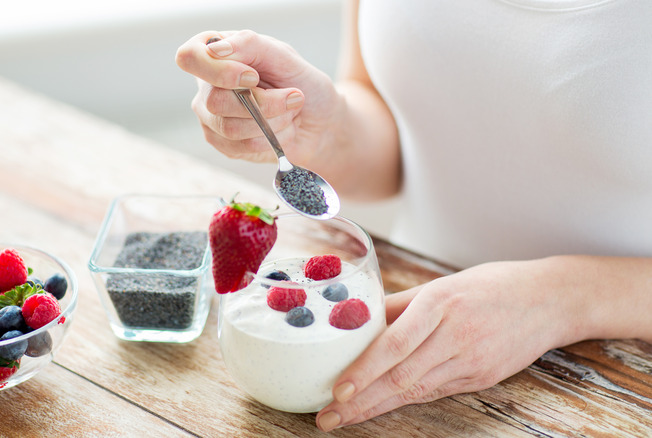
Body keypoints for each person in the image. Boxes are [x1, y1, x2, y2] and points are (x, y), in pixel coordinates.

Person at [175, 0, 652, 432]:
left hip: (617, 379)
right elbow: (402, 140)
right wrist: (324, 131)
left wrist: (560, 300)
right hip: (408, 316)